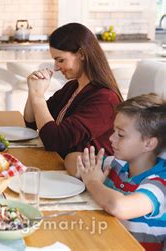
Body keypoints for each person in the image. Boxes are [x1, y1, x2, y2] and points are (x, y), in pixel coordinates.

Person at [65, 94, 165, 251]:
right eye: (113, 131)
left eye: (120, 134)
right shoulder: (117, 164)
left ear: (148, 143)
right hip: (100, 242)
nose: (111, 138)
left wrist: (92, 182)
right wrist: (84, 171)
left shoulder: (160, 184)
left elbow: (119, 206)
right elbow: (71, 158)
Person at [23, 23, 122, 158]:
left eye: (61, 60)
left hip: (83, 176)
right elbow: (32, 122)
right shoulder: (72, 87)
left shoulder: (105, 100)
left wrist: (38, 96)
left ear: (81, 54)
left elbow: (54, 141)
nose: (56, 67)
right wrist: (33, 91)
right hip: (60, 163)